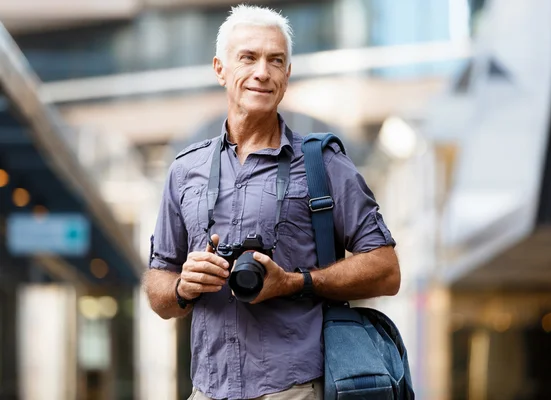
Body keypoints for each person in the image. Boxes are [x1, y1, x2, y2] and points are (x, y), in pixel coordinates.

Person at [143, 4, 400, 400]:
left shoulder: (325, 164)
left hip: (295, 389)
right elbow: (158, 289)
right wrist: (183, 286)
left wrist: (295, 282)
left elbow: (386, 270)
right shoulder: (184, 170)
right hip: (207, 390)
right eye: (248, 57)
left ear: (287, 75)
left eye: (275, 60)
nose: (262, 71)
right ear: (220, 69)